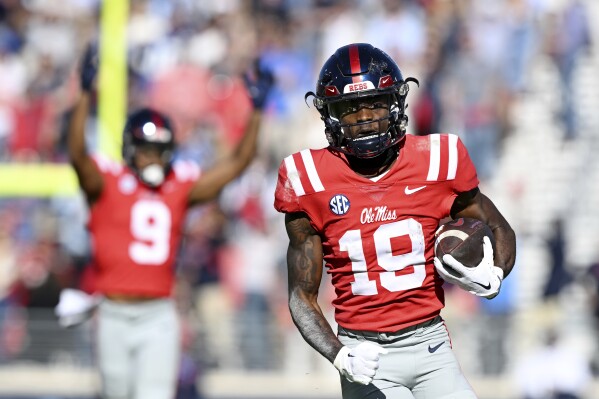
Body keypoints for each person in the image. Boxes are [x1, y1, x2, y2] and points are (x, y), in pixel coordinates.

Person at [273, 43, 516, 399]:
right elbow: (300, 295)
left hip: (432, 346)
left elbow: (498, 226)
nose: (365, 118)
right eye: (351, 108)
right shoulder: (307, 178)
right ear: (329, 115)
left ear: (396, 104)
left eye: (374, 104)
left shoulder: (438, 160)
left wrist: (496, 273)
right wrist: (340, 355)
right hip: (366, 353)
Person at [66, 45, 273, 399]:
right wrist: (85, 95)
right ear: (130, 150)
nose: (152, 157)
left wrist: (256, 111)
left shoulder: (177, 186)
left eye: (159, 149)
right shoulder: (108, 182)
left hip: (158, 315)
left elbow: (238, 163)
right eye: (146, 149)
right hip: (113, 314)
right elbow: (77, 155)